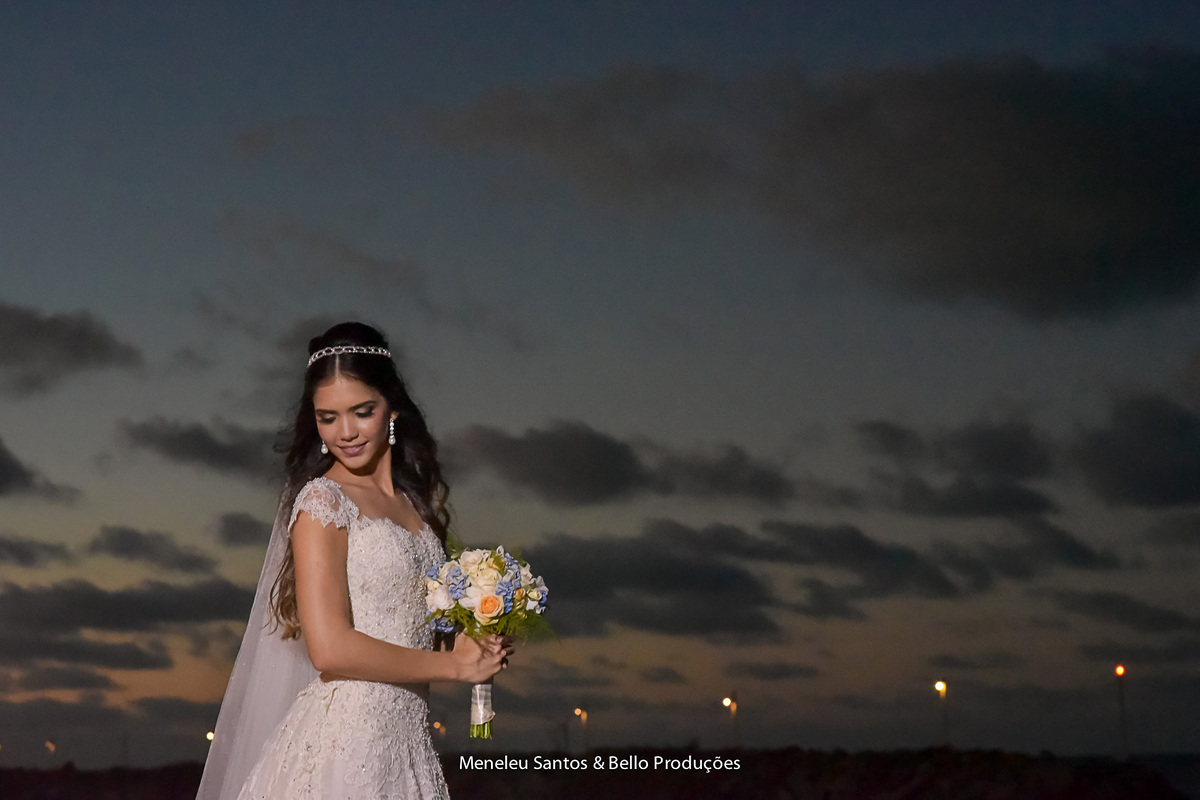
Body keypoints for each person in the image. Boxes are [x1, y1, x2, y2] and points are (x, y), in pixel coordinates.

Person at [197, 322, 512, 799]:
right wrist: (454, 667)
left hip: (408, 746)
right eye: (328, 417)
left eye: (362, 412)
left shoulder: (413, 505)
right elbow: (329, 649)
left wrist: (477, 635)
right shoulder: (322, 502)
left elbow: (406, 628)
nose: (345, 432)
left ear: (392, 406)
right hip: (345, 751)